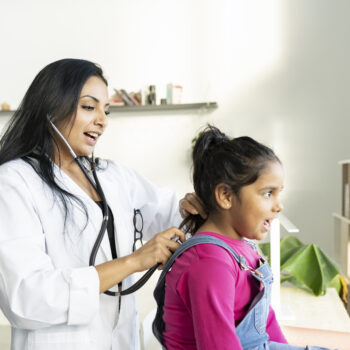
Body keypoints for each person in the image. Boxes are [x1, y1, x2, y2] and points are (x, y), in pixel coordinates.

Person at [0, 58, 205, 350]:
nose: (102, 120)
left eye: (105, 110)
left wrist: (190, 209)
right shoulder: (14, 181)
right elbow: (27, 297)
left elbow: (170, 215)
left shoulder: (113, 176)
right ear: (50, 108)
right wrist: (135, 261)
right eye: (89, 107)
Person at [153, 125, 336, 350]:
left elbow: (267, 324)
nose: (279, 206)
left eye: (279, 193)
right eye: (268, 193)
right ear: (226, 196)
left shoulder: (241, 247)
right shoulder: (209, 262)